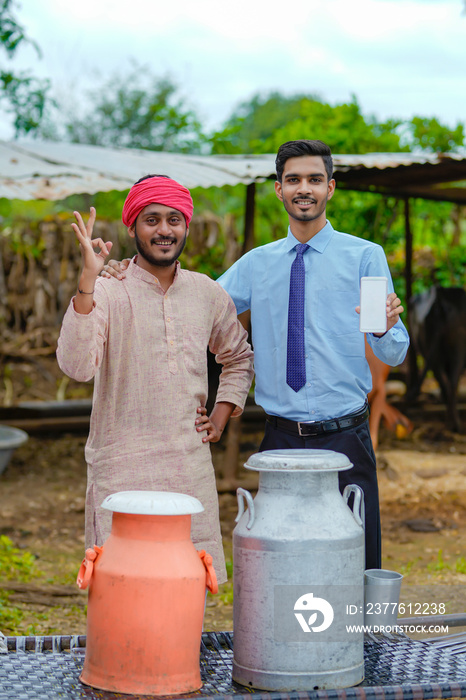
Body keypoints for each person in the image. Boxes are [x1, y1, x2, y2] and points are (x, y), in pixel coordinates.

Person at [102, 141, 409, 570]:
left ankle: (361, 639)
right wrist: (124, 271)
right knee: (283, 564)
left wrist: (384, 328)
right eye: (294, 180)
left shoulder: (364, 257)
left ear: (331, 188)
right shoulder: (255, 265)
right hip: (280, 439)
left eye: (315, 180)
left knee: (356, 560)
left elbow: (394, 353)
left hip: (346, 437)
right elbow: (191, 303)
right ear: (280, 190)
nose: (305, 189)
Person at [57, 175, 254, 585]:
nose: (164, 230)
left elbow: (238, 356)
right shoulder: (109, 290)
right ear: (132, 227)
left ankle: (179, 651)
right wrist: (87, 282)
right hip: (120, 468)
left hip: (188, 466)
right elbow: (77, 367)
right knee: (121, 583)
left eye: (174, 219)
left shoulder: (206, 293)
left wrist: (220, 415)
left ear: (186, 226)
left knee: (185, 581)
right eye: (151, 220)